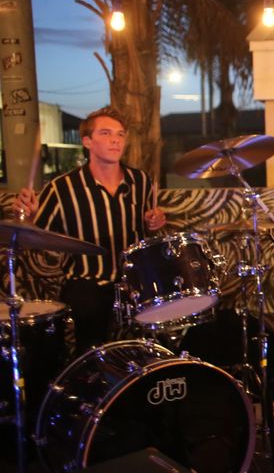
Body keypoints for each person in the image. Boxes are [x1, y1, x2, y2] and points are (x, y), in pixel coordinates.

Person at [13, 106, 166, 354]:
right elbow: (35, 239)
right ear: (87, 142)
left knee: (169, 302)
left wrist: (155, 223)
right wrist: (28, 219)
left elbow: (150, 234)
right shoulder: (61, 188)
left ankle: (156, 366)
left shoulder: (141, 181)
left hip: (134, 280)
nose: (115, 140)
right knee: (90, 308)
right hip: (87, 281)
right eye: (105, 133)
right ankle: (93, 370)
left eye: (120, 134)